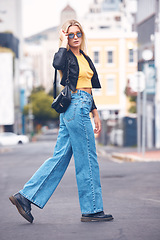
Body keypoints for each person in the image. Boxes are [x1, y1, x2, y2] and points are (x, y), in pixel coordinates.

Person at [9, 20, 113, 223]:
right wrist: (61, 43)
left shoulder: (85, 57)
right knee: (88, 159)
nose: (75, 38)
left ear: (82, 36)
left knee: (60, 157)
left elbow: (88, 88)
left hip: (81, 105)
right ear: (66, 37)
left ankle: (25, 197)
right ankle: (92, 209)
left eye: (78, 34)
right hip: (74, 106)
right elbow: (56, 64)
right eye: (71, 35)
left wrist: (96, 112)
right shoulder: (64, 56)